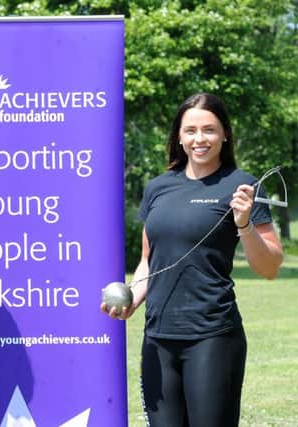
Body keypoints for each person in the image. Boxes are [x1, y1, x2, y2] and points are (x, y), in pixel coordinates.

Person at [101, 92, 283, 426]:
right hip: (157, 339)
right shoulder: (158, 187)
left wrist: (243, 223)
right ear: (179, 137)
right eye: (191, 130)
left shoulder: (242, 185)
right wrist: (132, 299)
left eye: (209, 129)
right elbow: (148, 259)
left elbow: (269, 267)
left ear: (224, 134)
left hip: (212, 337)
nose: (200, 138)